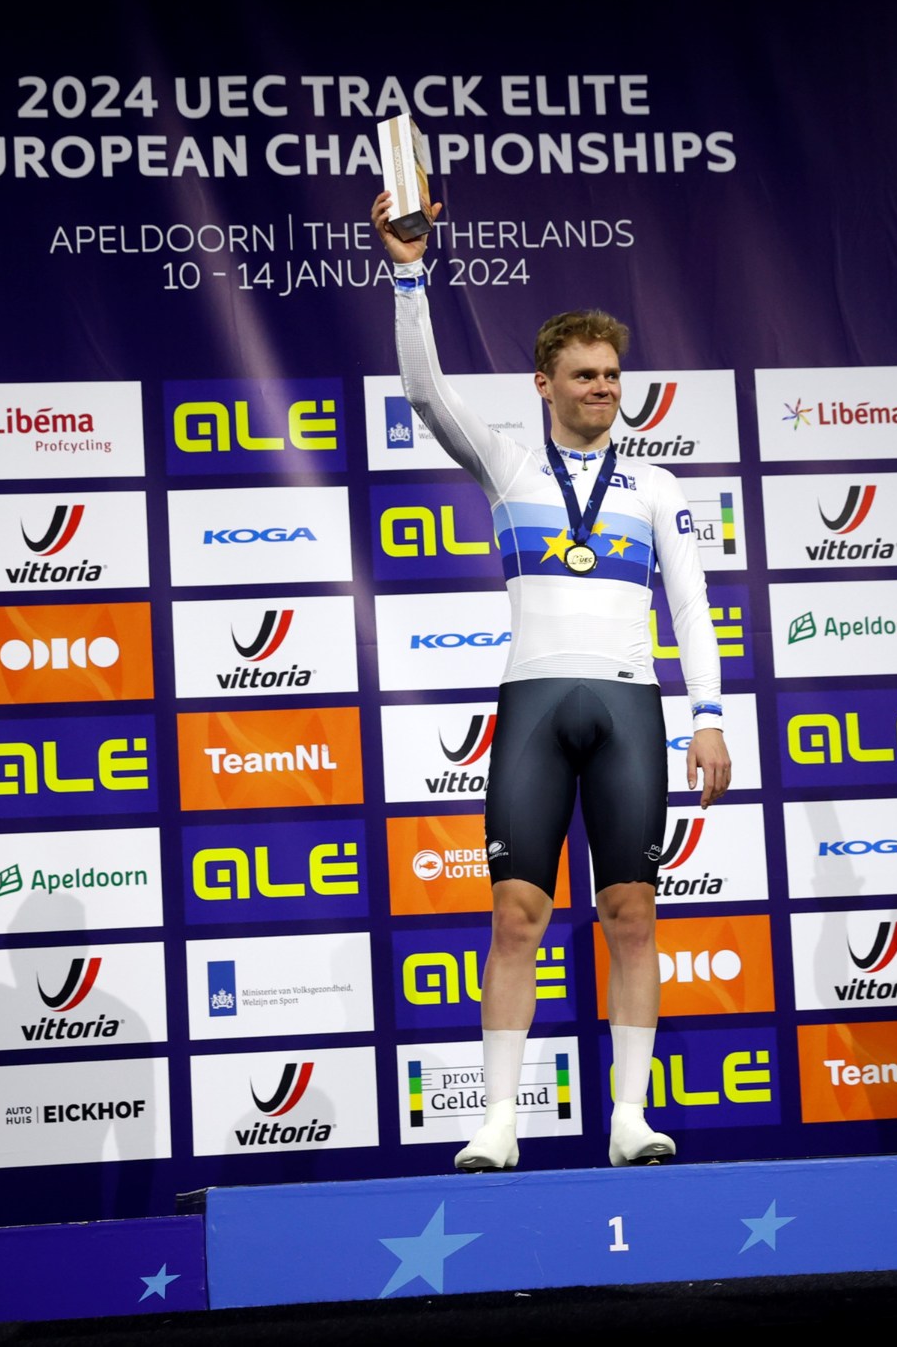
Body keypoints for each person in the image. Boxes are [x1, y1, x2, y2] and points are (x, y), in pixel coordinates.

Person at [373, 191, 732, 1170]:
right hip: (534, 701)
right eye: (583, 376)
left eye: (612, 377)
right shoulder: (506, 463)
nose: (601, 390)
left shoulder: (655, 486)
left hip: (627, 702)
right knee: (514, 915)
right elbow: (425, 394)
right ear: (543, 382)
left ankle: (627, 1118)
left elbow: (691, 609)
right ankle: (497, 1120)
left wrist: (707, 717)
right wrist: (410, 276)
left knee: (631, 915)